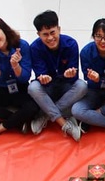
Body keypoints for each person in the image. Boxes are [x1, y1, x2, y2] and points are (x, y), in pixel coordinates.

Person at [28, 10, 87, 141]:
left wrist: (69, 74)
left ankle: (45, 115)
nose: (50, 38)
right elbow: (40, 75)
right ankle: (63, 122)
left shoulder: (71, 44)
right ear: (38, 34)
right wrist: (43, 78)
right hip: (48, 88)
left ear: (59, 29)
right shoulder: (34, 48)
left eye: (52, 32)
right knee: (33, 87)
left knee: (82, 86)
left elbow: (74, 77)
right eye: (45, 34)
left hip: (65, 86)